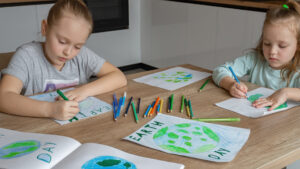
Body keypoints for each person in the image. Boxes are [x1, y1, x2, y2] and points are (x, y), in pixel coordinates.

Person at [0, 0, 127, 120]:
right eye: (62, 42)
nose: (68, 52)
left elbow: (119, 77)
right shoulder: (27, 55)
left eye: (77, 46)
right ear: (45, 28)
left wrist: (85, 91)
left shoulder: (82, 55)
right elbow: (3, 97)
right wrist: (50, 109)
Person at [212, 0, 300, 111]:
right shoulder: (254, 59)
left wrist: (286, 92)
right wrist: (230, 85)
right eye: (267, 43)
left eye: (282, 46)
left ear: (298, 45)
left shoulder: (297, 70)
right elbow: (220, 70)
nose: (272, 51)